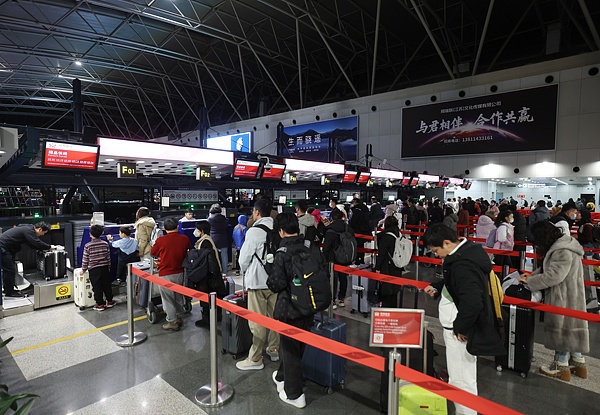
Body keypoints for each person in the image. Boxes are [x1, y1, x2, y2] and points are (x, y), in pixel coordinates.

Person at [423, 224, 504, 415]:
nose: (436, 255)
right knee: (463, 375)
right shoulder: (468, 251)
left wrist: (461, 327)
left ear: (447, 243)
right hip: (458, 324)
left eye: (436, 250)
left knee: (461, 379)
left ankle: (465, 412)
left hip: (457, 328)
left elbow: (473, 301)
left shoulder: (462, 265)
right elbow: (458, 284)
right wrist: (438, 287)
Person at [519, 221, 589, 381]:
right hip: (572, 295)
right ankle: (578, 362)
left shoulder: (561, 250)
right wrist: (532, 275)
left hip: (562, 297)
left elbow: (553, 276)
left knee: (562, 329)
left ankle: (560, 365)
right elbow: (549, 269)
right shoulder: (564, 245)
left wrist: (530, 281)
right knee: (572, 327)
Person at [268, 212, 319, 409]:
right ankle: (282, 376)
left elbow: (276, 284)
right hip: (310, 305)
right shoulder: (310, 246)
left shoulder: (282, 252)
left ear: (281, 231)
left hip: (290, 308)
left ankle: (295, 394)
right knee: (298, 345)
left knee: (289, 350)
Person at [237, 198, 280, 370]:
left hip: (258, 282)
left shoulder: (254, 231)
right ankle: (274, 349)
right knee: (275, 317)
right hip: (276, 281)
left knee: (257, 321)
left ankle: (255, 358)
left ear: (257, 212)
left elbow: (243, 259)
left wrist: (244, 270)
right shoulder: (277, 228)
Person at [150, 217, 192, 331]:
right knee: (178, 296)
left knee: (167, 298)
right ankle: (178, 316)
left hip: (166, 273)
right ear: (177, 227)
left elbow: (153, 253)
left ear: (164, 228)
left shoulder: (161, 240)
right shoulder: (184, 238)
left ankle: (172, 321)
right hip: (180, 272)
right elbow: (188, 250)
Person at [0, 221, 55, 297]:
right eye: (43, 233)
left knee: (8, 270)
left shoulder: (28, 228)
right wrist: (49, 247)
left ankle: (7, 289)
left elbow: (31, 244)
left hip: (6, 248)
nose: (42, 235)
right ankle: (10, 292)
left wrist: (43, 249)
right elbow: (36, 242)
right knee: (10, 270)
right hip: (3, 248)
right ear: (40, 229)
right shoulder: (29, 231)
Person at [192, 220, 225, 327]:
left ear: (201, 231)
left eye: (197, 229)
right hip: (212, 274)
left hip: (208, 275)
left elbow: (205, 260)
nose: (195, 231)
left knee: (206, 297)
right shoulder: (207, 240)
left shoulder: (205, 243)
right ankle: (216, 316)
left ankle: (207, 320)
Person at [323, 208, 353, 309]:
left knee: (333, 279)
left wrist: (324, 259)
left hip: (333, 258)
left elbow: (326, 247)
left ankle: (333, 301)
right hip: (345, 257)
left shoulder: (330, 230)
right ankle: (341, 299)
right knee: (343, 278)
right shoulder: (347, 228)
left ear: (332, 218)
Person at [82, 224, 114, 311]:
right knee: (107, 285)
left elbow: (85, 259)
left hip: (94, 269)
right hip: (104, 267)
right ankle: (110, 301)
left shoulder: (88, 246)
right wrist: (109, 266)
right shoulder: (105, 244)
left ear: (90, 234)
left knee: (97, 287)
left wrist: (83, 269)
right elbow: (108, 257)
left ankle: (100, 304)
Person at [208, 203, 229, 275]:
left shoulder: (210, 219)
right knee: (224, 255)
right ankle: (225, 272)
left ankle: (216, 271)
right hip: (223, 238)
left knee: (214, 256)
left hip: (214, 238)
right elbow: (226, 225)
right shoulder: (223, 218)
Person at [349, 198, 371, 264]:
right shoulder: (364, 209)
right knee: (361, 245)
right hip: (364, 230)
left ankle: (357, 260)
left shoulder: (357, 211)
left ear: (355, 203)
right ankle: (362, 259)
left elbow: (353, 222)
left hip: (357, 231)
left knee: (357, 246)